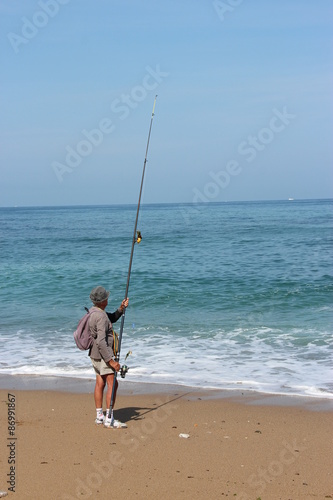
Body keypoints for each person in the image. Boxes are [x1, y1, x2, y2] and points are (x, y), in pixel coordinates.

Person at [88, 285, 129, 428]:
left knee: (100, 382)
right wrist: (111, 361)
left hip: (95, 355)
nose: (108, 299)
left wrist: (120, 309)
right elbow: (100, 341)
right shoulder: (100, 316)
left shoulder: (94, 312)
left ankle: (99, 416)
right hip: (103, 355)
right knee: (113, 384)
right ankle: (109, 419)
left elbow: (111, 318)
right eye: (106, 297)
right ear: (103, 301)